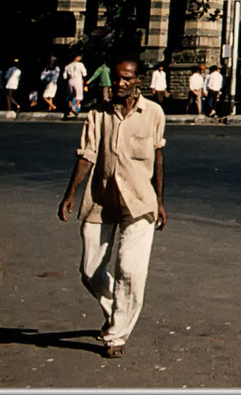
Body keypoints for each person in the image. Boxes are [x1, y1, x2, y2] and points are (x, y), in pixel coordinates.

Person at [57, 55, 167, 358]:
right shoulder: (97, 115)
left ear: (138, 82)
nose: (119, 83)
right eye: (116, 78)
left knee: (130, 271)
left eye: (126, 79)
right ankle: (116, 308)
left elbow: (158, 158)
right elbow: (86, 156)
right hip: (101, 200)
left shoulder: (154, 113)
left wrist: (160, 201)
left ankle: (116, 335)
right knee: (90, 271)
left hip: (140, 200)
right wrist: (70, 194)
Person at [62, 54, 88, 119]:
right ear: (76, 57)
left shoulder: (67, 66)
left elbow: (64, 77)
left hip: (70, 81)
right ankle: (74, 108)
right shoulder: (80, 64)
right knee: (79, 97)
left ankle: (70, 110)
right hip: (78, 80)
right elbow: (85, 74)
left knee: (70, 96)